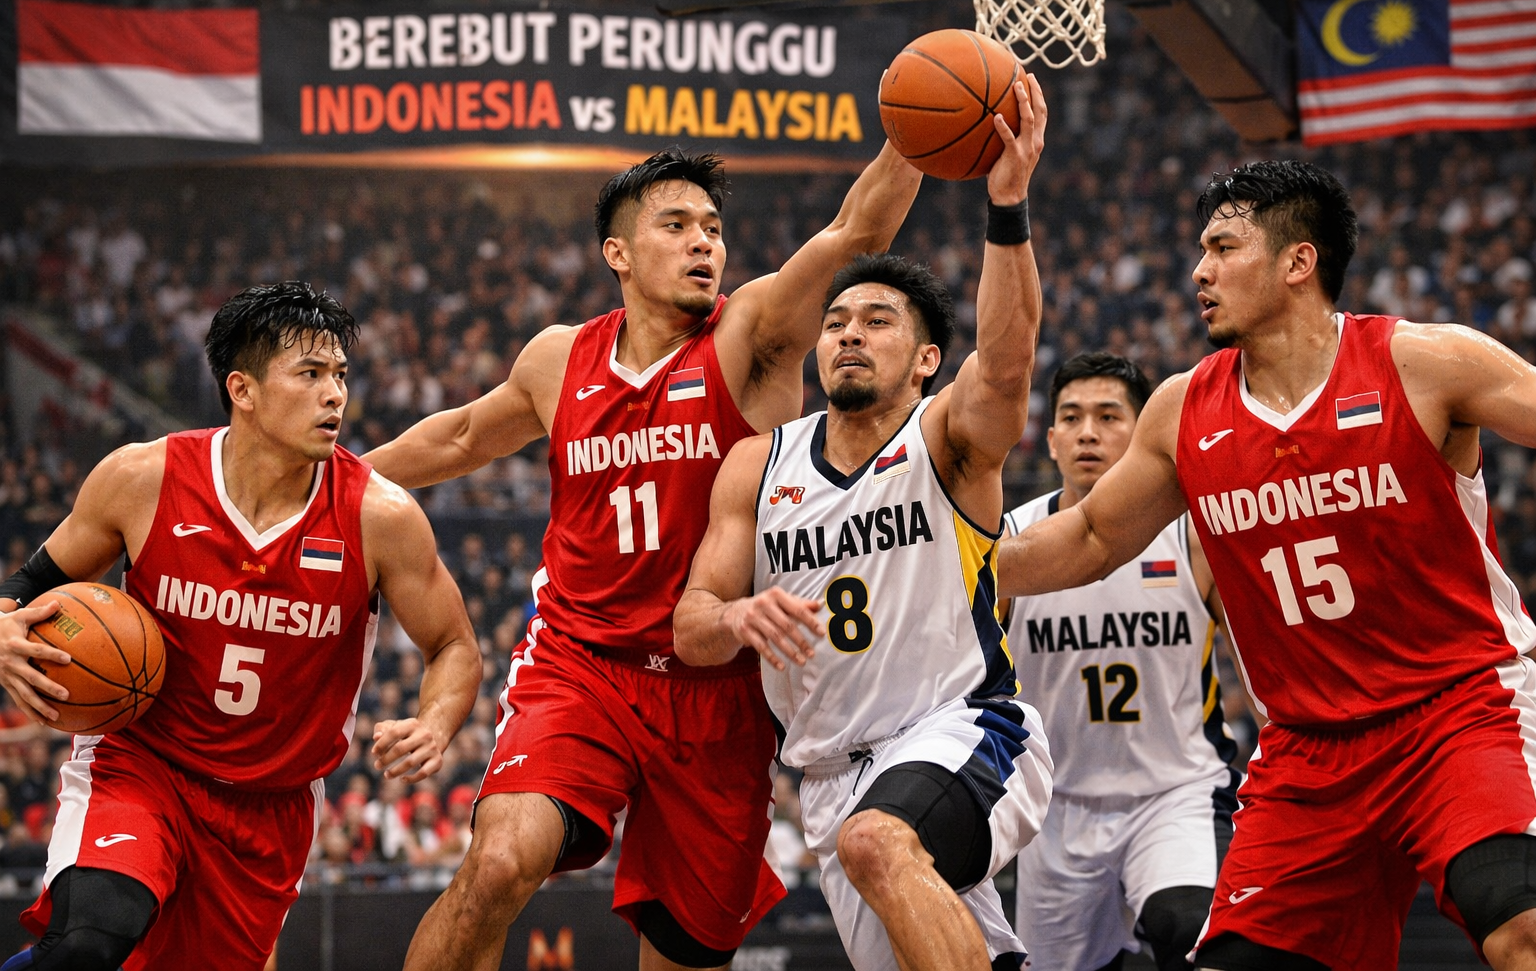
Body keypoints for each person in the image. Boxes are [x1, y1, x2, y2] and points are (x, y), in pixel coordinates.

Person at [366, 143, 923, 971]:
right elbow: (458, 436)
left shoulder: (750, 336)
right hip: (581, 663)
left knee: (682, 958)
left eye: (714, 227)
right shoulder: (558, 359)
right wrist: (332, 479)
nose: (706, 242)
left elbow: (853, 233)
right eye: (678, 225)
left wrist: (910, 138)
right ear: (618, 254)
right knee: (497, 863)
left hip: (721, 687)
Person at [996, 160, 1536, 971]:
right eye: (1200, 251)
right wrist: (943, 563)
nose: (1198, 270)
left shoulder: (1426, 362)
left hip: (1457, 710)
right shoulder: (1185, 408)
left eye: (1222, 247)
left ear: (1297, 262)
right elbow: (1090, 539)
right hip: (1307, 752)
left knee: (1517, 920)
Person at [674, 75, 1052, 971]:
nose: (847, 334)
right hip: (829, 778)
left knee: (882, 844)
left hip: (962, 728)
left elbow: (1002, 366)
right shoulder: (758, 464)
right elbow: (691, 624)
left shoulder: (947, 440)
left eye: (877, 321)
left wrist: (1006, 207)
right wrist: (734, 618)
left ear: (925, 359)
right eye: (837, 321)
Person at [0, 281, 480, 971]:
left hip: (269, 809)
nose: (335, 395)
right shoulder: (143, 477)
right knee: (87, 942)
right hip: (143, 765)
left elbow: (454, 644)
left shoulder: (382, 515)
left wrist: (434, 724)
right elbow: (25, 588)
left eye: (341, 375)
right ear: (243, 389)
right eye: (310, 374)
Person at [997, 351, 1242, 971]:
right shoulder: (1010, 543)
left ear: (1142, 433)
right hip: (1057, 810)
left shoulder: (1192, 530)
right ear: (1048, 439)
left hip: (1176, 792)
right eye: (1072, 417)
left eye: (1109, 416)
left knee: (1189, 931)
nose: (1087, 432)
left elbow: (1264, 661)